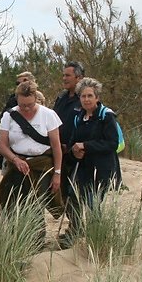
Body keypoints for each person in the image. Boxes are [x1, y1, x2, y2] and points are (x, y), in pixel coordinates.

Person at [0, 80, 63, 246]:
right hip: (16, 164)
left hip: (41, 165)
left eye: (30, 105)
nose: (26, 109)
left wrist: (57, 173)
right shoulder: (9, 116)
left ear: (36, 99)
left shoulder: (48, 115)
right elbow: (2, 145)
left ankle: (36, 242)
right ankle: (12, 239)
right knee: (11, 202)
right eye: (22, 105)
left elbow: (56, 147)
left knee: (36, 203)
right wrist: (15, 159)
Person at [63, 78, 123, 248]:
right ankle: (76, 232)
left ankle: (97, 240)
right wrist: (74, 151)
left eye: (90, 96)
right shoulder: (79, 117)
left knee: (93, 203)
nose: (86, 99)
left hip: (102, 168)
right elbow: (73, 141)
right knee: (75, 198)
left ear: (97, 97)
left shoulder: (106, 116)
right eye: (83, 96)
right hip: (83, 167)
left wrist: (86, 146)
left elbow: (112, 143)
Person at [52, 61, 84, 215]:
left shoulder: (85, 99)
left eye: (68, 75)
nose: (64, 78)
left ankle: (76, 226)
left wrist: (71, 146)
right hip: (59, 153)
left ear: (79, 78)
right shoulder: (61, 98)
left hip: (77, 155)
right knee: (62, 192)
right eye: (63, 75)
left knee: (75, 193)